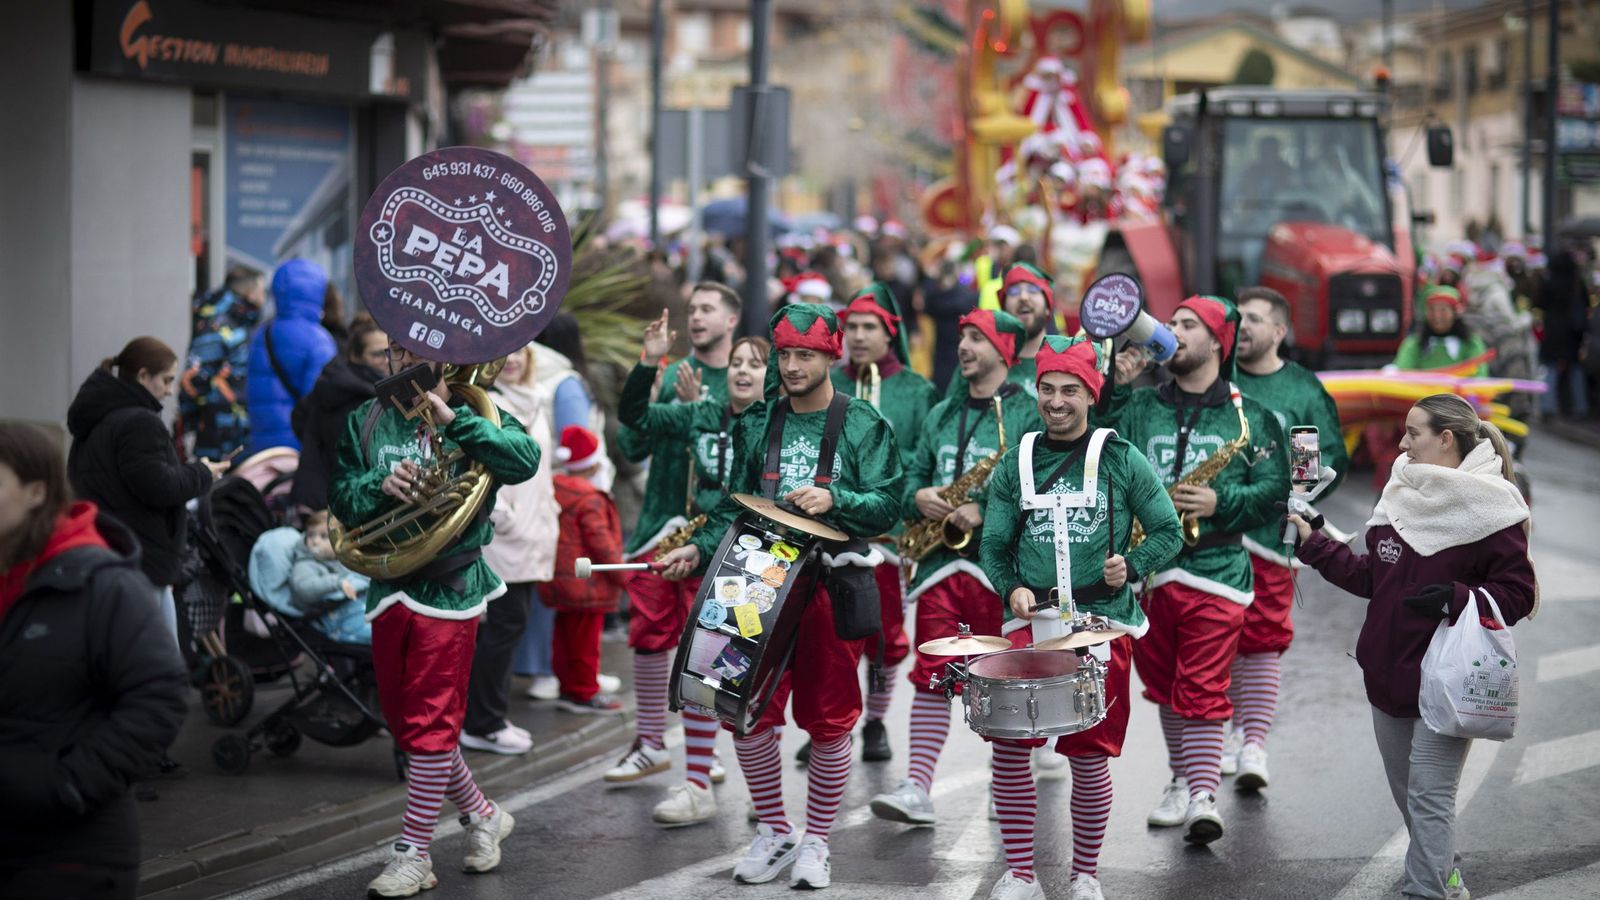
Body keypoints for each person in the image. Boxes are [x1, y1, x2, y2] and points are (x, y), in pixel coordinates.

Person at [656, 303, 904, 890]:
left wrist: (835, 499)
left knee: (829, 721)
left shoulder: (864, 423)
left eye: (806, 355)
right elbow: (731, 503)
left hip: (828, 583)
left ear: (830, 357)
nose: (792, 366)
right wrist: (698, 548)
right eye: (786, 354)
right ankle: (774, 830)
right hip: (752, 578)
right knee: (742, 712)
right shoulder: (756, 421)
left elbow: (889, 504)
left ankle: (817, 840)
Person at [1289, 394, 1536, 900]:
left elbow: (1520, 594)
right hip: (1386, 675)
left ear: (1446, 439)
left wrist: (1456, 598)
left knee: (1430, 796)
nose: (1401, 443)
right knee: (1413, 799)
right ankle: (1445, 872)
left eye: (1413, 433)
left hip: (1449, 681)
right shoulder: (1400, 490)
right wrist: (1315, 543)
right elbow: (1370, 578)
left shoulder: (1493, 505)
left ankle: (1426, 890)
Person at [329, 337, 541, 898]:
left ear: (443, 357)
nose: (398, 362)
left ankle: (413, 853)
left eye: (410, 352)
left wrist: (454, 421)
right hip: (388, 582)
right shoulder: (365, 417)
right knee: (408, 726)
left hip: (450, 587)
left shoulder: (479, 408)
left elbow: (525, 461)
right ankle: (482, 813)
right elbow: (342, 499)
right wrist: (380, 486)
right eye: (391, 350)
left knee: (429, 724)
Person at [976, 337, 1182, 900]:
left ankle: (1085, 874)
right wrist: (1012, 587)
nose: (1057, 401)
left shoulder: (1121, 457)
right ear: (1035, 391)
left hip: (1101, 623)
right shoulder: (1015, 461)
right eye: (1048, 389)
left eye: (1070, 390)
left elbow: (1169, 530)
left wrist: (1132, 565)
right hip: (1030, 624)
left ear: (1091, 394)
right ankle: (1021, 874)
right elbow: (993, 544)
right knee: (1011, 747)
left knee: (1089, 757)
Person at [1101, 295, 1288, 845]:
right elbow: (1093, 444)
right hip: (1150, 573)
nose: (1173, 332)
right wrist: (1115, 381)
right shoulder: (1139, 407)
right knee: (1161, 685)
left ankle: (1204, 794)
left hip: (1218, 569)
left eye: (1188, 325)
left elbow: (1276, 488)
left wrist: (1220, 502)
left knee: (1202, 683)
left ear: (1217, 341)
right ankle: (1181, 779)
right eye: (1171, 323)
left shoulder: (1249, 415)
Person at [0, 423, 189, 900]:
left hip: (70, 852)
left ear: (36, 491)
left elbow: (160, 696)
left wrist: (67, 784)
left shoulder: (101, 582)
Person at [868, 309, 1042, 826]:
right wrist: (917, 494)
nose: (962, 346)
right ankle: (917, 786)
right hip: (942, 567)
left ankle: (1004, 783)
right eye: (961, 336)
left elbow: (1046, 488)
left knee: (1007, 680)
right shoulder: (943, 411)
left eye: (975, 338)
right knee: (932, 677)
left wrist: (989, 511)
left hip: (1003, 575)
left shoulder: (1031, 413)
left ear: (1004, 352)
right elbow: (912, 473)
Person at [617, 318, 772, 826]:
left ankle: (761, 792)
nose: (743, 371)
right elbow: (634, 418)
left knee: (741, 672)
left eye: (755, 364)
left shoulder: (775, 426)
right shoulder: (701, 412)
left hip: (751, 560)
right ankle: (696, 784)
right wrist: (649, 363)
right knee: (703, 664)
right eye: (737, 364)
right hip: (699, 550)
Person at [606, 283, 738, 783]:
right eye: (692, 309)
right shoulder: (667, 373)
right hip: (660, 520)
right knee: (647, 634)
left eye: (708, 309)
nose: (697, 317)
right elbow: (631, 444)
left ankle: (705, 756)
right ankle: (649, 741)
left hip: (718, 531)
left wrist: (695, 415)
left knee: (708, 642)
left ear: (730, 320)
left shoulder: (746, 378)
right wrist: (655, 377)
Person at [1226, 287, 1348, 787]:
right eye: (1238, 319)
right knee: (1214, 640)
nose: (1244, 327)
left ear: (1278, 331)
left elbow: (1323, 459)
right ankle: (1223, 735)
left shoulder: (1301, 389)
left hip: (1271, 538)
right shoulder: (1217, 377)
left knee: (1260, 642)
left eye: (1254, 319)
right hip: (1211, 537)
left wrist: (1302, 492)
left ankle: (1253, 743)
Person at [821, 281, 938, 765]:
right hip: (832, 528)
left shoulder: (916, 389)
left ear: (890, 334)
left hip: (889, 534)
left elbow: (922, 457)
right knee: (829, 633)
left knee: (883, 635)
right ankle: (834, 721)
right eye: (852, 327)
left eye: (870, 327)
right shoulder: (830, 384)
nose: (860, 336)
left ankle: (875, 720)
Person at [67, 337, 229, 641]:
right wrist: (202, 473)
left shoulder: (95, 420)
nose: (169, 390)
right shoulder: (139, 422)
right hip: (140, 556)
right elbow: (160, 486)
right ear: (143, 376)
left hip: (103, 549)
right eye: (166, 380)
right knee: (154, 662)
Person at [463, 343, 556, 755]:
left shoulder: (536, 400)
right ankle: (483, 722)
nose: (513, 360)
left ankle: (491, 718)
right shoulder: (489, 404)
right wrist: (503, 515)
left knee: (509, 626)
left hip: (534, 534)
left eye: (521, 351)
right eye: (503, 353)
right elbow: (476, 464)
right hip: (504, 537)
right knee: (502, 627)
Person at [518, 314, 617, 699]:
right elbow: (577, 443)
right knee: (571, 592)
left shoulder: (535, 378)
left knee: (551, 584)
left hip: (545, 494)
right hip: (572, 500)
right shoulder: (566, 383)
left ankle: (560, 669)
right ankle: (556, 670)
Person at [540, 426, 627, 715]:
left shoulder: (554, 487)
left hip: (561, 580)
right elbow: (600, 542)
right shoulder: (591, 498)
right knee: (586, 643)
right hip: (588, 582)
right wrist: (623, 573)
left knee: (564, 636)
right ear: (591, 463)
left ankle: (567, 686)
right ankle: (584, 692)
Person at [289, 318, 388, 512]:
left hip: (316, 493)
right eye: (377, 354)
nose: (387, 360)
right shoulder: (364, 397)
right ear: (355, 356)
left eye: (390, 352)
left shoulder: (331, 381)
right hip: (343, 501)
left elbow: (298, 416)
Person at [246, 258, 338, 454]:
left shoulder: (261, 333)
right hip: (298, 446)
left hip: (261, 444)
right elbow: (319, 401)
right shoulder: (319, 339)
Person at [179, 265, 264, 460]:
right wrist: (199, 421)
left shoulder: (242, 323)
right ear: (250, 293)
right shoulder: (217, 323)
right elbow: (192, 380)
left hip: (238, 433)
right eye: (261, 290)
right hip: (219, 437)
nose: (264, 297)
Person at [286, 509, 371, 645]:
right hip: (336, 619)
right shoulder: (305, 564)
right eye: (310, 535)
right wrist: (336, 582)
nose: (315, 541)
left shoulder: (344, 559)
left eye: (323, 536)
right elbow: (303, 588)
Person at [1535, 250, 1592, 419]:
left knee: (1550, 370)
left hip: (1552, 332)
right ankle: (1580, 407)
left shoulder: (1549, 282)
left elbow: (1539, 303)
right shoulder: (1576, 282)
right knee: (1575, 370)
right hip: (1573, 334)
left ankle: (1547, 407)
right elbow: (1586, 304)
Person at [1390, 287, 1489, 375]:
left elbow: (1479, 376)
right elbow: (1402, 373)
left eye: (1443, 310)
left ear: (1455, 313)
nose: (1437, 316)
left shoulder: (1471, 344)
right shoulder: (1413, 344)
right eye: (1432, 310)